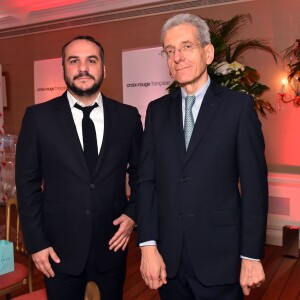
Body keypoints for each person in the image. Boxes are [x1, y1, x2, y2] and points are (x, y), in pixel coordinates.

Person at [137, 13, 268, 299]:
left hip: (222, 259)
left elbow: (255, 187)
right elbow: (146, 181)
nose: (178, 57)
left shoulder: (238, 108)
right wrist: (147, 245)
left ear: (208, 53)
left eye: (187, 46)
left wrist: (251, 256)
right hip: (168, 262)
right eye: (170, 51)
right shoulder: (157, 111)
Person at [16, 35, 143, 300]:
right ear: (64, 68)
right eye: (74, 61)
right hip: (58, 250)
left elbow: (141, 173)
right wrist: (37, 244)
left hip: (112, 244)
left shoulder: (128, 117)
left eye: (91, 60)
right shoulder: (38, 118)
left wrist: (133, 215)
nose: (82, 68)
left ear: (103, 69)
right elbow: (27, 186)